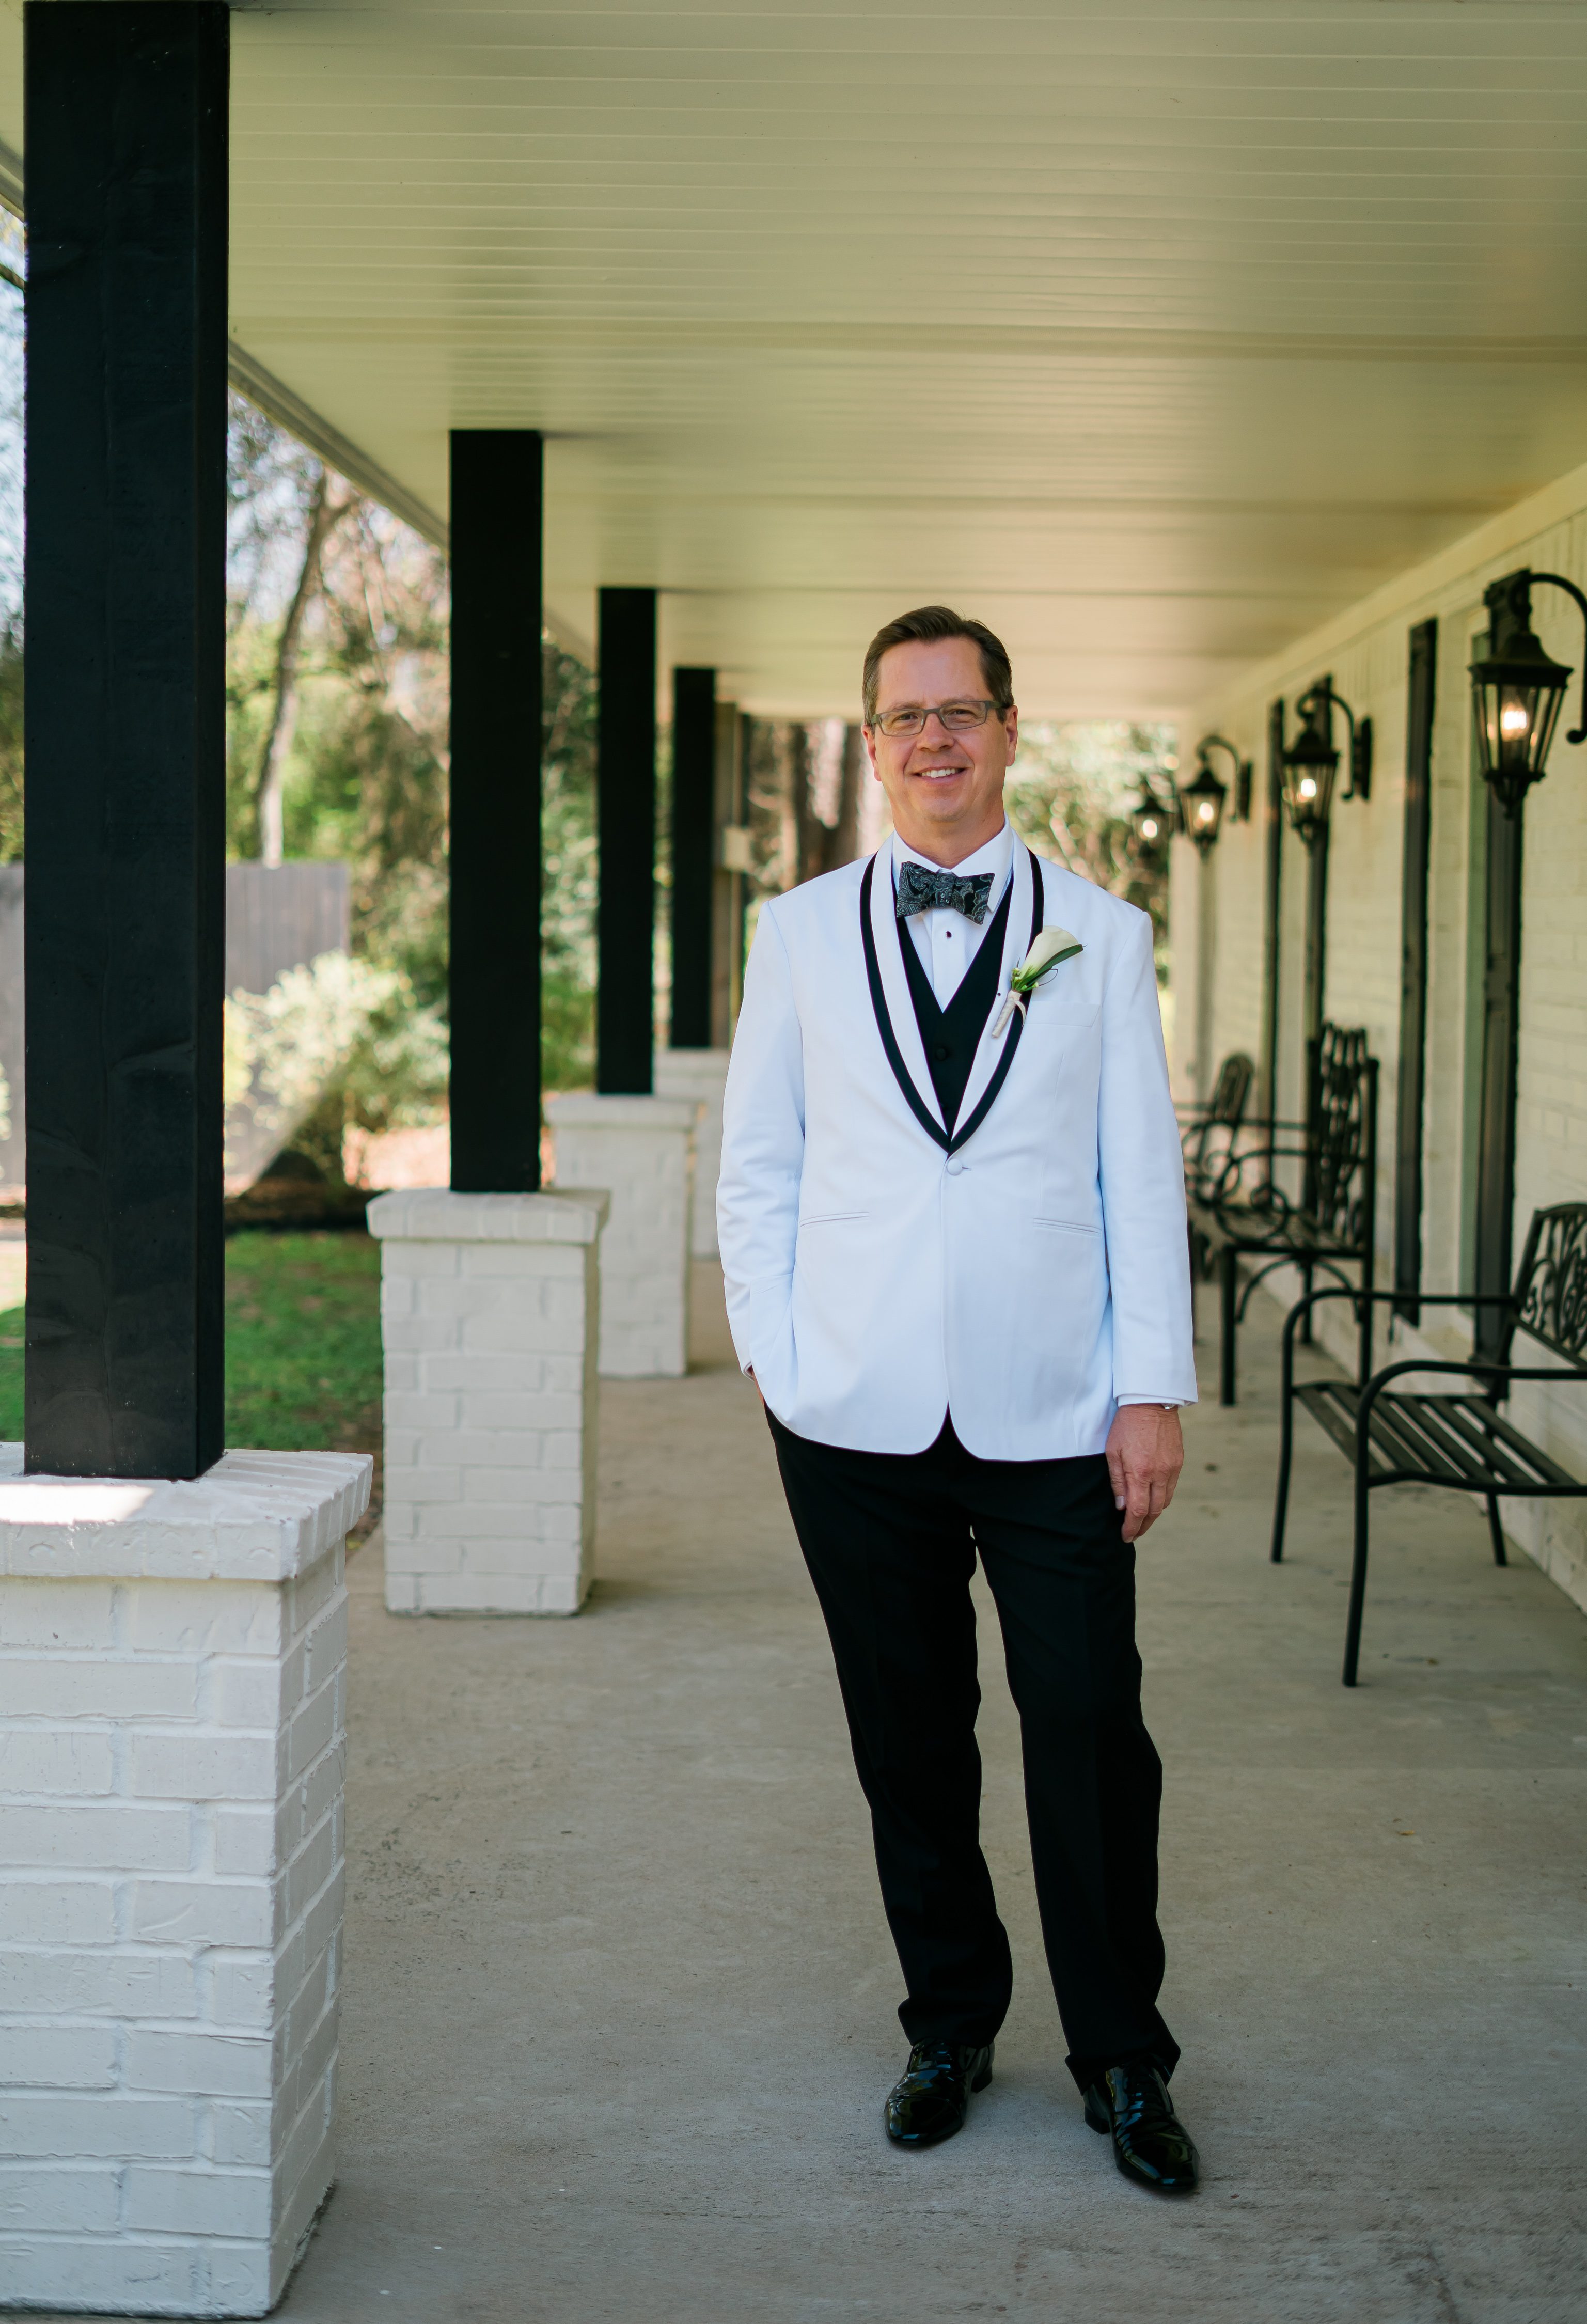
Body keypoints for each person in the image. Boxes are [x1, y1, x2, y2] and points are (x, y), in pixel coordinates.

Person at [717, 606, 1200, 2194]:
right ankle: (948, 2022)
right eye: (905, 715)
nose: (935, 738)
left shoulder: (1101, 935)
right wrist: (780, 1357)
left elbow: (1137, 1175)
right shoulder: (796, 933)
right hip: (852, 1416)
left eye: (961, 710)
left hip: (1055, 1407)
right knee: (907, 1732)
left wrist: (1150, 1388)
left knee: (1088, 1727)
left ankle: (1120, 2052)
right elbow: (760, 1167)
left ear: (1007, 730)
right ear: (870, 745)